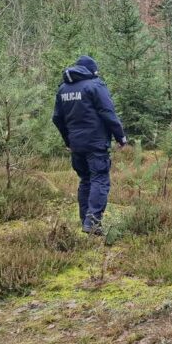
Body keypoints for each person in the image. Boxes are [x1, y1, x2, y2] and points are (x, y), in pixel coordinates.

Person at [52, 56, 127, 235]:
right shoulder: (95, 85)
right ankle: (92, 223)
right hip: (96, 143)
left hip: (76, 145)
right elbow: (108, 113)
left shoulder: (63, 89)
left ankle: (85, 221)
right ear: (92, 70)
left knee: (85, 180)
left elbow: (57, 118)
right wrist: (121, 137)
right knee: (99, 179)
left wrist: (68, 141)